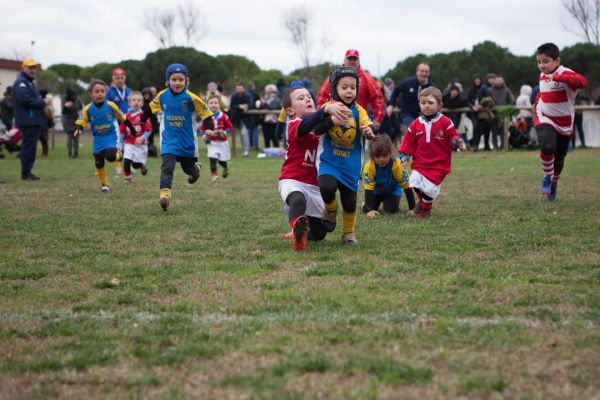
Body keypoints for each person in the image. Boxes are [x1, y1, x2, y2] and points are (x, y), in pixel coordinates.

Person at [278, 86, 348, 250]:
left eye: (309, 96)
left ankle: (301, 232)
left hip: (315, 188)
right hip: (292, 180)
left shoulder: (322, 126)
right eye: (301, 98)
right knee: (298, 200)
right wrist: (325, 110)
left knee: (320, 234)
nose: (308, 99)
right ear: (290, 110)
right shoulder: (294, 124)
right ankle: (297, 231)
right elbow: (306, 127)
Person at [314, 67, 375, 246]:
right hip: (329, 162)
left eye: (353, 87)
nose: (349, 91)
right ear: (335, 89)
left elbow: (370, 126)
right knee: (326, 187)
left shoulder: (360, 111)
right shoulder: (327, 108)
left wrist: (369, 132)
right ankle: (331, 210)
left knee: (349, 202)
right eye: (344, 87)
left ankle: (348, 234)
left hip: (351, 165)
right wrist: (330, 120)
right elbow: (316, 130)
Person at [146, 63, 214, 211]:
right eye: (174, 79)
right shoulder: (162, 95)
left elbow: (207, 114)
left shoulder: (191, 97)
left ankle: (195, 169)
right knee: (167, 167)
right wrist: (141, 119)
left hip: (187, 141)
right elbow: (150, 109)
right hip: (169, 140)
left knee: (187, 169)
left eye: (180, 80)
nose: (177, 83)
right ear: (167, 81)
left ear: (186, 81)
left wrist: (209, 129)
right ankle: (165, 195)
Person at [533, 43, 587, 202]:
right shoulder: (543, 75)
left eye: (545, 61)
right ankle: (547, 176)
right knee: (548, 146)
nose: (542, 66)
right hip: (544, 115)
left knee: (560, 156)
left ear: (557, 61)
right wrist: (536, 100)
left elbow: (583, 82)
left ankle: (554, 181)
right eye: (539, 62)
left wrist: (557, 77)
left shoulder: (565, 72)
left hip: (564, 121)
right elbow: (545, 92)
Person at [398, 87, 463, 218]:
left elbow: (452, 137)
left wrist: (455, 142)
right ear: (419, 105)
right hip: (420, 163)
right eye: (423, 103)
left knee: (429, 191)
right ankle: (422, 202)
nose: (426, 106)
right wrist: (405, 155)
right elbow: (408, 141)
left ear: (440, 105)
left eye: (430, 103)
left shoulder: (446, 122)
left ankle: (426, 210)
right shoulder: (416, 124)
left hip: (439, 165)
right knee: (414, 184)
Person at [74, 79, 137, 192]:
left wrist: (131, 128)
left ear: (105, 93)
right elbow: (82, 120)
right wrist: (79, 128)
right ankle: (105, 184)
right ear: (91, 94)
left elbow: (123, 117)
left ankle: (120, 155)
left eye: (102, 91)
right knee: (98, 163)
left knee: (110, 156)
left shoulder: (111, 105)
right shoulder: (87, 108)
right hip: (98, 138)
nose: (100, 94)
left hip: (110, 137)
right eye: (97, 91)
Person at [316, 49, 384, 127]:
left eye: (354, 59)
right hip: (335, 124)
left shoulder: (367, 78)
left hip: (360, 124)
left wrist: (376, 121)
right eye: (349, 59)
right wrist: (322, 119)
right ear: (344, 60)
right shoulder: (334, 77)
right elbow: (322, 97)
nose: (352, 61)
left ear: (359, 61)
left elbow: (377, 98)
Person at [362, 134, 415, 217]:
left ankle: (388, 202)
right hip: (376, 191)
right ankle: (365, 205)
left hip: (392, 191)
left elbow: (407, 187)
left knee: (391, 210)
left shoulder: (398, 166)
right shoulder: (369, 167)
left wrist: (412, 208)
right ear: (373, 156)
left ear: (390, 153)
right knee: (368, 209)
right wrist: (369, 210)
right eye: (378, 156)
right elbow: (368, 188)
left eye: (384, 155)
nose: (381, 159)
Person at [12, 58, 48, 181]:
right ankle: (25, 173)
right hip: (27, 121)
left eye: (34, 67)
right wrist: (42, 101)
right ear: (23, 68)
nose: (33, 69)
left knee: (31, 147)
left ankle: (27, 172)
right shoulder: (21, 82)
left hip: (33, 120)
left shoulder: (30, 83)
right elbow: (24, 99)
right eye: (30, 67)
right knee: (28, 147)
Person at [388, 63, 435, 131]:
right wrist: (391, 105)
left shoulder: (432, 86)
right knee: (414, 131)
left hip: (424, 115)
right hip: (407, 114)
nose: (424, 73)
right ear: (417, 72)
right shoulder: (408, 82)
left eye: (426, 71)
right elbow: (396, 90)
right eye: (422, 71)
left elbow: (437, 99)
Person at [119, 91, 151, 183]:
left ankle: (142, 166)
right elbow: (122, 132)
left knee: (136, 164)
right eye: (133, 100)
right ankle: (127, 177)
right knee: (127, 159)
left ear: (142, 103)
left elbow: (149, 129)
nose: (136, 102)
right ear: (129, 102)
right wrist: (120, 144)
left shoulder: (144, 115)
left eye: (138, 100)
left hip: (141, 144)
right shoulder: (125, 116)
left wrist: (143, 138)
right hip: (129, 142)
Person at [199, 95, 232, 182]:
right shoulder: (206, 117)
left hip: (222, 143)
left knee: (221, 161)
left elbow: (230, 128)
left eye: (215, 103)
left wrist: (224, 133)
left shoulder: (224, 116)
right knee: (212, 159)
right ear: (207, 105)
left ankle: (225, 167)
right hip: (212, 142)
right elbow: (202, 129)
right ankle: (214, 175)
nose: (213, 105)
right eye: (211, 103)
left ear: (219, 105)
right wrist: (204, 137)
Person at [106, 68, 132, 174]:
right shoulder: (109, 92)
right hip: (115, 120)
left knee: (129, 143)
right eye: (117, 78)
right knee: (117, 142)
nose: (120, 80)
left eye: (122, 78)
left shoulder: (129, 90)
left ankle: (129, 166)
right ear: (113, 79)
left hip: (127, 119)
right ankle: (117, 166)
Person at [229, 83, 254, 157]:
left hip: (246, 118)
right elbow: (231, 106)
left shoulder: (248, 95)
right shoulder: (234, 96)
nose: (239, 90)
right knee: (240, 135)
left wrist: (247, 106)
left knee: (244, 133)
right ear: (236, 89)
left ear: (243, 88)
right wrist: (239, 106)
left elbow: (252, 105)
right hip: (237, 118)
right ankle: (245, 149)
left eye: (241, 88)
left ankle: (246, 150)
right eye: (238, 89)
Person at [62, 88, 82, 159]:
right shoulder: (64, 98)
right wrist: (66, 106)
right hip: (68, 121)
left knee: (76, 138)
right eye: (73, 95)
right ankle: (69, 154)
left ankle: (76, 154)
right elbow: (63, 111)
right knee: (70, 137)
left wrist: (80, 111)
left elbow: (80, 108)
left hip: (76, 121)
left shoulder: (77, 99)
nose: (74, 97)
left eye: (75, 95)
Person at [261, 84, 281, 148]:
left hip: (274, 121)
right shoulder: (266, 97)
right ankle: (267, 151)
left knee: (274, 137)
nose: (270, 91)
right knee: (266, 137)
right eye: (269, 89)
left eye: (271, 89)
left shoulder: (276, 98)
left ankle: (277, 150)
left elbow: (273, 107)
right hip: (265, 121)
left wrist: (264, 103)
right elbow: (261, 107)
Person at [141, 87, 159, 157]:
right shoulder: (141, 102)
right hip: (144, 122)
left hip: (152, 122)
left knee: (151, 138)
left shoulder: (153, 102)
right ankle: (146, 151)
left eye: (148, 94)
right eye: (145, 95)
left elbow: (155, 113)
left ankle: (152, 152)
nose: (147, 96)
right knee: (145, 138)